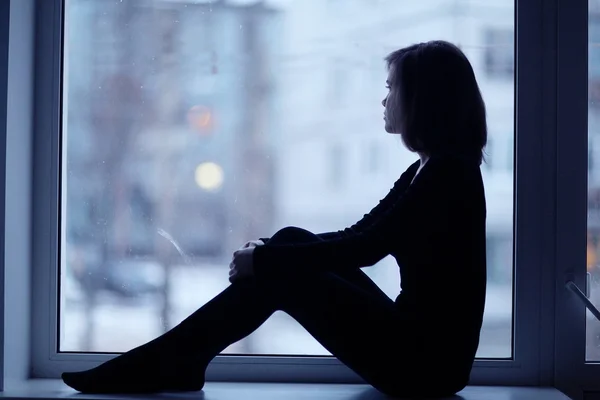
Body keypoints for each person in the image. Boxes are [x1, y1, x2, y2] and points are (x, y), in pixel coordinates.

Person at [61, 40, 487, 399]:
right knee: (289, 239)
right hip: (416, 349)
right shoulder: (429, 168)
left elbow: (366, 249)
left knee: (281, 269)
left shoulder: (449, 175)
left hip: (426, 369)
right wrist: (271, 251)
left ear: (423, 100)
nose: (384, 98)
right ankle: (175, 361)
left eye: (392, 88)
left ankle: (168, 363)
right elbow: (357, 235)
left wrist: (266, 263)